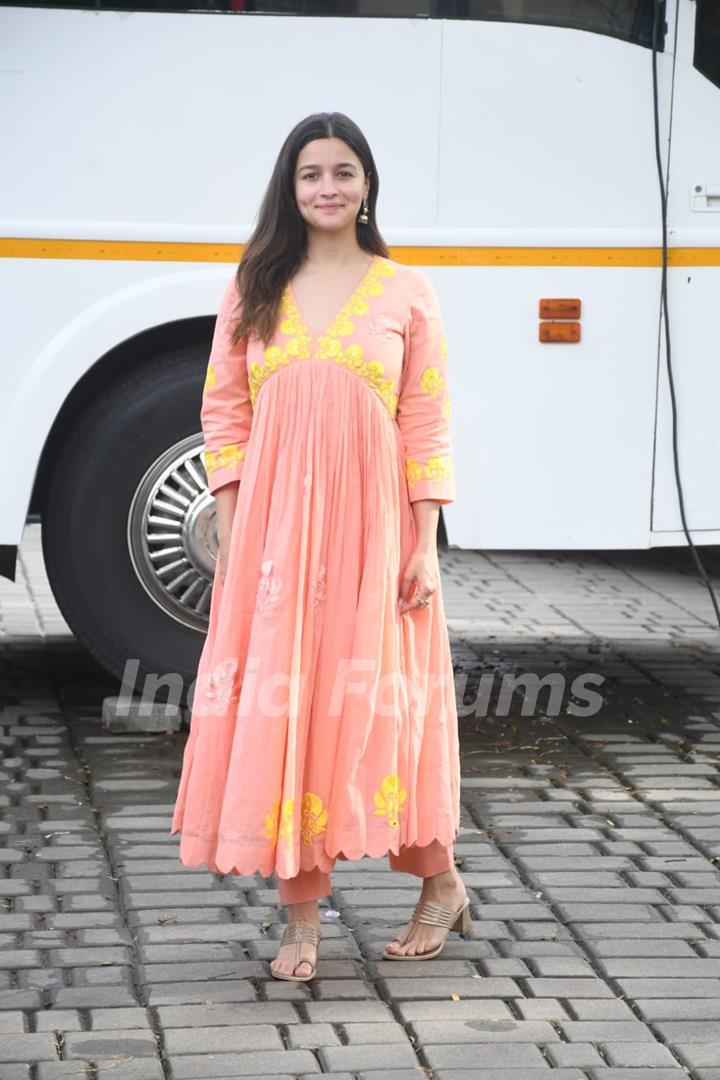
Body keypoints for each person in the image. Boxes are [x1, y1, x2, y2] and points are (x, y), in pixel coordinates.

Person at [170, 111, 467, 982]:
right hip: (276, 538)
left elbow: (426, 421)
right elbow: (224, 411)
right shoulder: (255, 286)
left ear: (367, 183)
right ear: (289, 189)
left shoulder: (406, 290)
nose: (328, 187)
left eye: (343, 171)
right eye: (311, 174)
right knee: (285, 709)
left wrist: (424, 543)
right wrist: (230, 518)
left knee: (384, 709)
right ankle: (301, 918)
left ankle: (440, 883)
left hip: (377, 533)